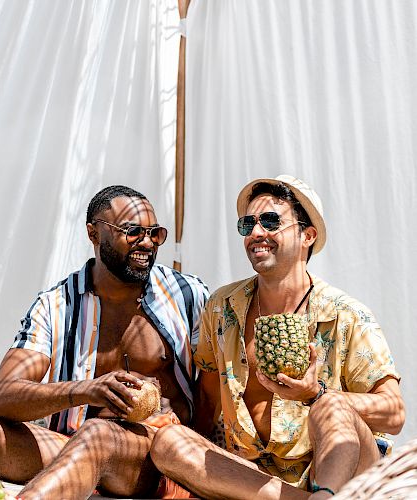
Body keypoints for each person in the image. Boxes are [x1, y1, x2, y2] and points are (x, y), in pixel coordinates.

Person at [0, 185, 209, 499]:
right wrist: (86, 390)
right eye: (132, 231)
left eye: (155, 233)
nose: (146, 242)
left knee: (98, 434)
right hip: (71, 446)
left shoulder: (188, 295)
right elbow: (4, 395)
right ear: (94, 233)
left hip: (154, 456)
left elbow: (219, 384)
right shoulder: (56, 304)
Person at [150, 175, 405, 499]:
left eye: (270, 221)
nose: (256, 233)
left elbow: (394, 413)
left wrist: (317, 394)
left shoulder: (346, 315)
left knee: (331, 407)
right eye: (247, 224)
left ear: (306, 235)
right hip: (258, 478)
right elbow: (208, 399)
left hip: (347, 476)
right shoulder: (221, 307)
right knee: (169, 442)